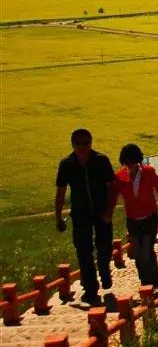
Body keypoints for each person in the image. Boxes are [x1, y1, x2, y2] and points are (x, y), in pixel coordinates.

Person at [54, 129, 115, 305]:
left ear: (91, 143)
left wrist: (109, 211)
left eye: (87, 143)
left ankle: (104, 269)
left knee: (104, 245)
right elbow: (60, 191)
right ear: (73, 144)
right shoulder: (66, 164)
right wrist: (58, 217)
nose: (84, 147)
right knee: (83, 249)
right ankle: (90, 287)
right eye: (80, 143)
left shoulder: (101, 160)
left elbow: (111, 188)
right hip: (80, 213)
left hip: (102, 210)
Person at [109, 144, 158, 288]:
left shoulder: (148, 172)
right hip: (132, 219)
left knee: (147, 249)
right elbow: (113, 198)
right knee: (138, 252)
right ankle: (144, 281)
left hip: (149, 217)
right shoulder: (120, 176)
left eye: (133, 162)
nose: (130, 166)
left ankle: (154, 279)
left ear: (138, 160)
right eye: (127, 163)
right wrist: (107, 214)